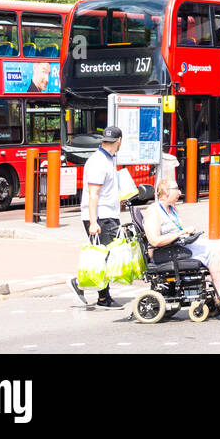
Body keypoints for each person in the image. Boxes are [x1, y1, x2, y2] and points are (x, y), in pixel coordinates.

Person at [143, 178, 220, 303]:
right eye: (176, 189)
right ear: (166, 192)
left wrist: (187, 233)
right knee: (213, 251)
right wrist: (181, 232)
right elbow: (154, 241)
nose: (179, 192)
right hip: (164, 252)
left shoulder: (172, 209)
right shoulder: (154, 211)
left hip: (178, 246)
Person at [71, 124, 123, 308]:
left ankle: (103, 297)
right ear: (119, 141)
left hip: (107, 214)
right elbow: (93, 194)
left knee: (105, 255)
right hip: (99, 216)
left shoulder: (108, 159)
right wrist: (93, 222)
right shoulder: (98, 162)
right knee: (105, 256)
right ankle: (81, 284)